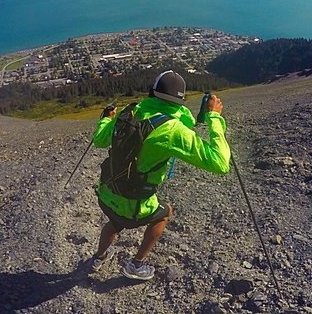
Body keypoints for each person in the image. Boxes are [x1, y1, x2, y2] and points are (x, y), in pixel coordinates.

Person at [90, 70, 231, 280]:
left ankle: (99, 257)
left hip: (108, 192)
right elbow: (220, 163)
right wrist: (214, 117)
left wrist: (105, 119)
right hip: (135, 203)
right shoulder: (172, 130)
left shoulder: (129, 112)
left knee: (115, 221)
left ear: (152, 92)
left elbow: (100, 140)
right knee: (165, 213)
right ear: (180, 101)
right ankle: (136, 265)